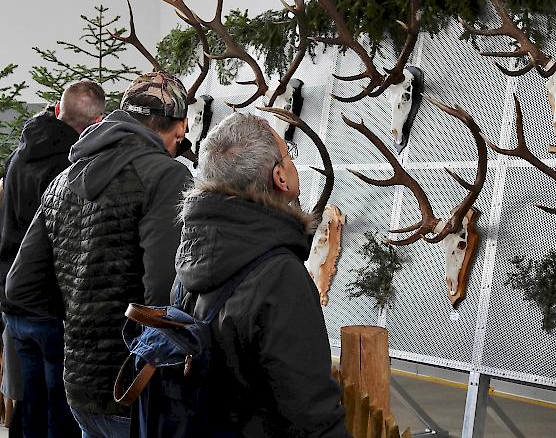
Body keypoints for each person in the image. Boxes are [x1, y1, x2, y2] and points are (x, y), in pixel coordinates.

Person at [6, 71, 192, 438]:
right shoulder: (166, 175)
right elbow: (162, 293)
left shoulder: (65, 177)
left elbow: (19, 285)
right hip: (134, 386)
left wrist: (81, 314)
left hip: (79, 384)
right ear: (180, 125)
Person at [172, 111, 349, 436]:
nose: (292, 163)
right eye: (288, 155)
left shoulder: (193, 254)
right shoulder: (280, 277)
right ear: (280, 177)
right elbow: (312, 414)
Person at [0, 81, 106, 438]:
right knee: (60, 410)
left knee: (28, 405)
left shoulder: (20, 154)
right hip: (50, 305)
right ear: (98, 120)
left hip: (13, 298)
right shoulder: (72, 168)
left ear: (58, 111)